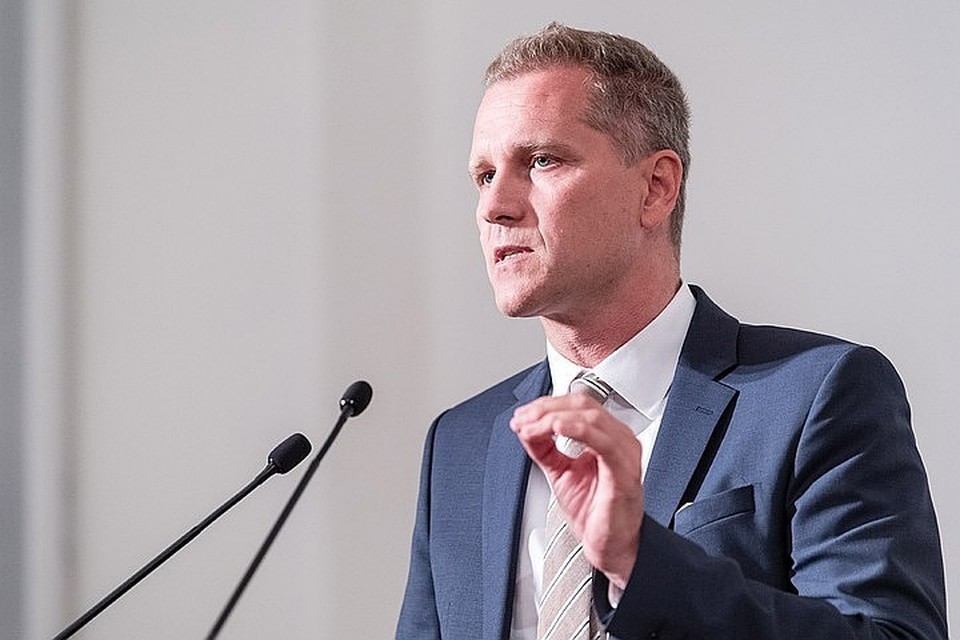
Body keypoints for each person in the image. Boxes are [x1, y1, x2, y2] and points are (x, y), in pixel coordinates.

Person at [396, 22, 947, 640]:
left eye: (541, 160)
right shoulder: (461, 444)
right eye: (483, 175)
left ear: (656, 188)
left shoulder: (817, 396)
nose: (494, 206)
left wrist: (642, 565)